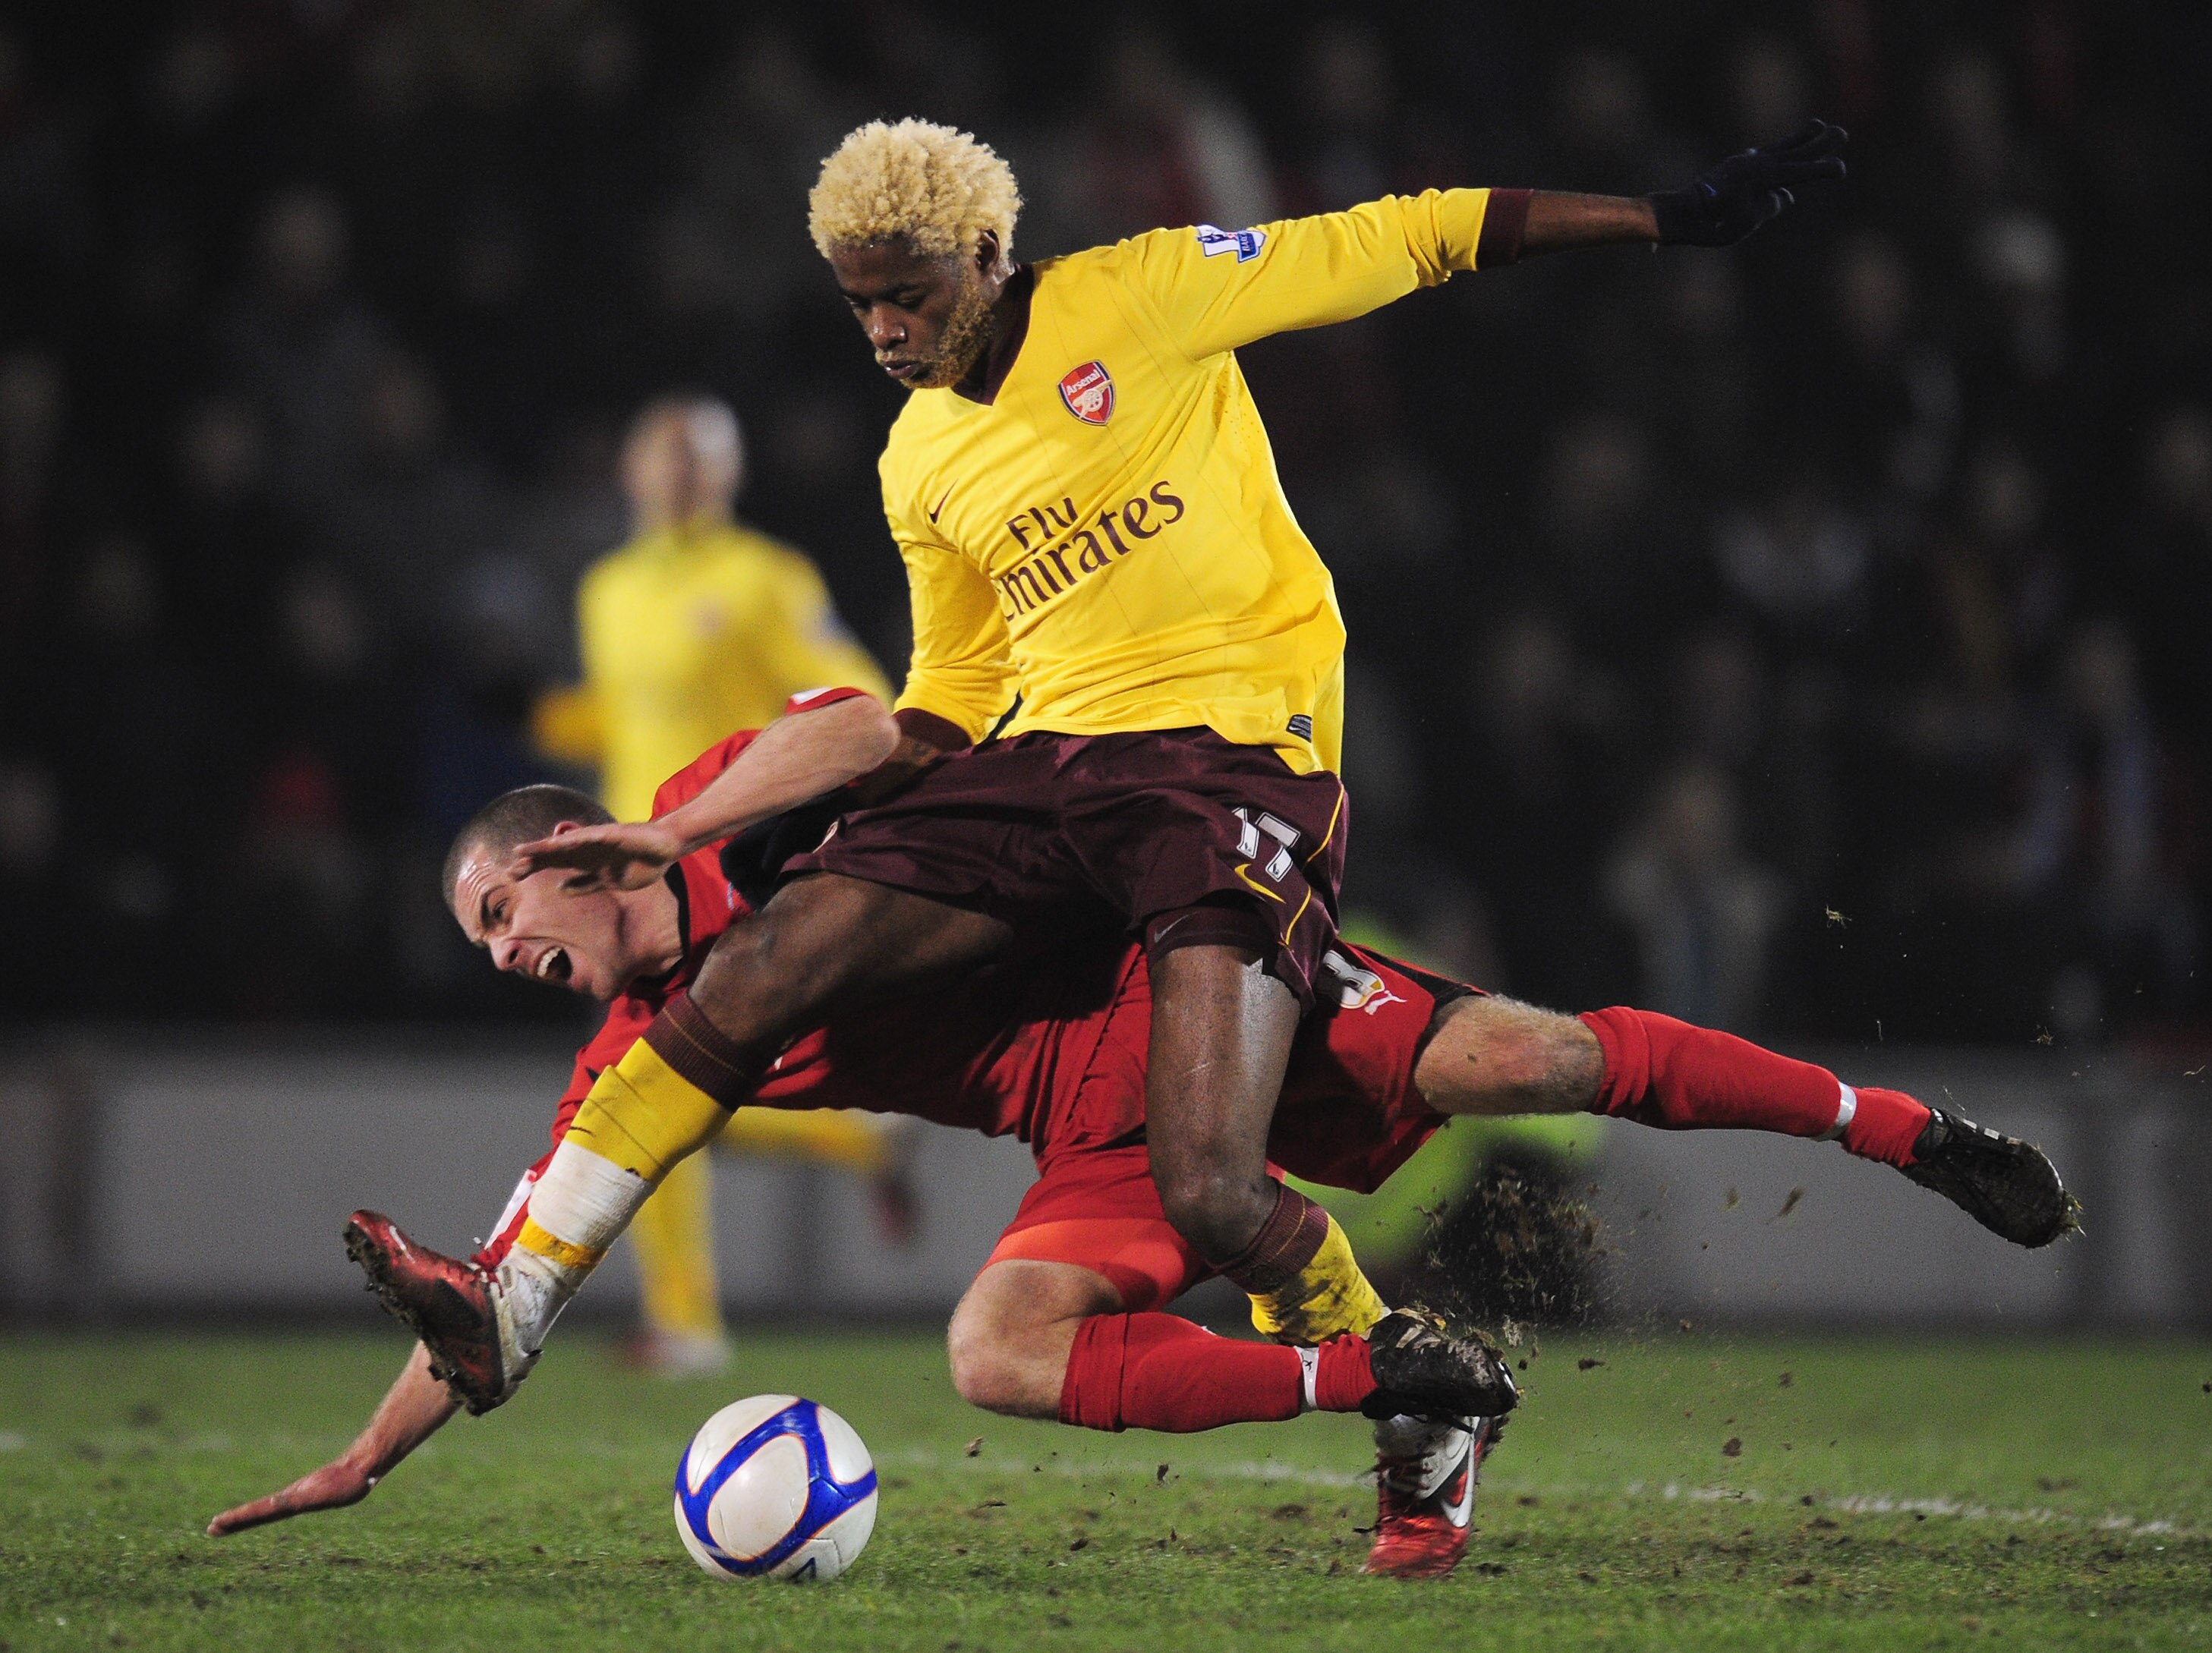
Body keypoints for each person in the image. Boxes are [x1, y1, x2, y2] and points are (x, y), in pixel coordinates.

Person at [348, 118, 1876, 1431]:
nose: (882, 333)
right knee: (766, 962)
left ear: (988, 254)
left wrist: (1659, 218)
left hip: (1231, 758)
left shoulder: (1139, 294)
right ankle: (519, 1301)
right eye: (856, 305)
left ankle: (1439, 1332)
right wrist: (851, 828)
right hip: (1063, 782)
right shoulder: (914, 460)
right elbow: (943, 700)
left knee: (1389, 1115)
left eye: (906, 294)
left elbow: (1396, 238)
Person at [254, 691, 2069, 1580]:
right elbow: (514, 1290)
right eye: (487, 945)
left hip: (1188, 965)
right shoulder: (630, 1065)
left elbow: (889, 721)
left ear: (576, 856)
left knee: (1530, 1062)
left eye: (502, 915)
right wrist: (366, 1452)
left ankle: (1909, 1136)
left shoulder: (716, 809)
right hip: (1087, 1140)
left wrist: (707, 824)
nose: (506, 959)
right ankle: (1396, 1389)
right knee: (990, 1351)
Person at [534, 392, 901, 1376]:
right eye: (665, 455)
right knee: (673, 1083)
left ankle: (689, 1319)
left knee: (650, 1082)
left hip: (734, 860)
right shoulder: (605, 587)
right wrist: (554, 724)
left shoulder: (764, 579)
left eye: (700, 457)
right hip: (626, 879)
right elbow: (621, 712)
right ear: (631, 469)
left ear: (729, 473)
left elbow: (851, 691)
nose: (680, 472)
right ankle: (859, 1147)